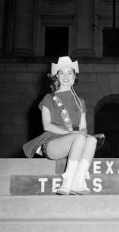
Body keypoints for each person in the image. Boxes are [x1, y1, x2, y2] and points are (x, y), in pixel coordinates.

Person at [23, 56, 99, 195]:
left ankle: (79, 180)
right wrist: (72, 134)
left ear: (74, 76)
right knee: (79, 138)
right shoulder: (48, 98)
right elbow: (47, 126)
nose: (65, 76)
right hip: (52, 143)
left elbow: (83, 126)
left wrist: (82, 131)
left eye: (69, 73)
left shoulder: (80, 101)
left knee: (92, 139)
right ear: (56, 76)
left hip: (75, 141)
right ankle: (67, 180)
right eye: (61, 73)